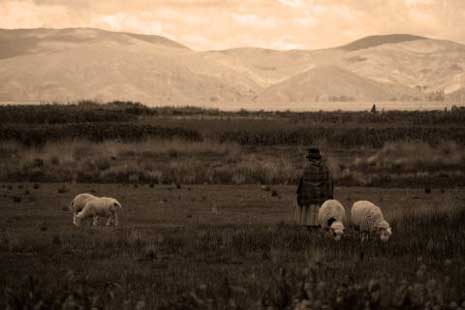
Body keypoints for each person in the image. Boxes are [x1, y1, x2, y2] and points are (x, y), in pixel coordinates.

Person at [296, 146, 334, 228]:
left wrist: (300, 196)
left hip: (309, 199)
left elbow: (302, 184)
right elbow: (329, 183)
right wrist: (330, 196)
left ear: (310, 158)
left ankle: (309, 231)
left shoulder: (307, 168)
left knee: (309, 221)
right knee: (319, 220)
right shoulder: (325, 168)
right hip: (321, 199)